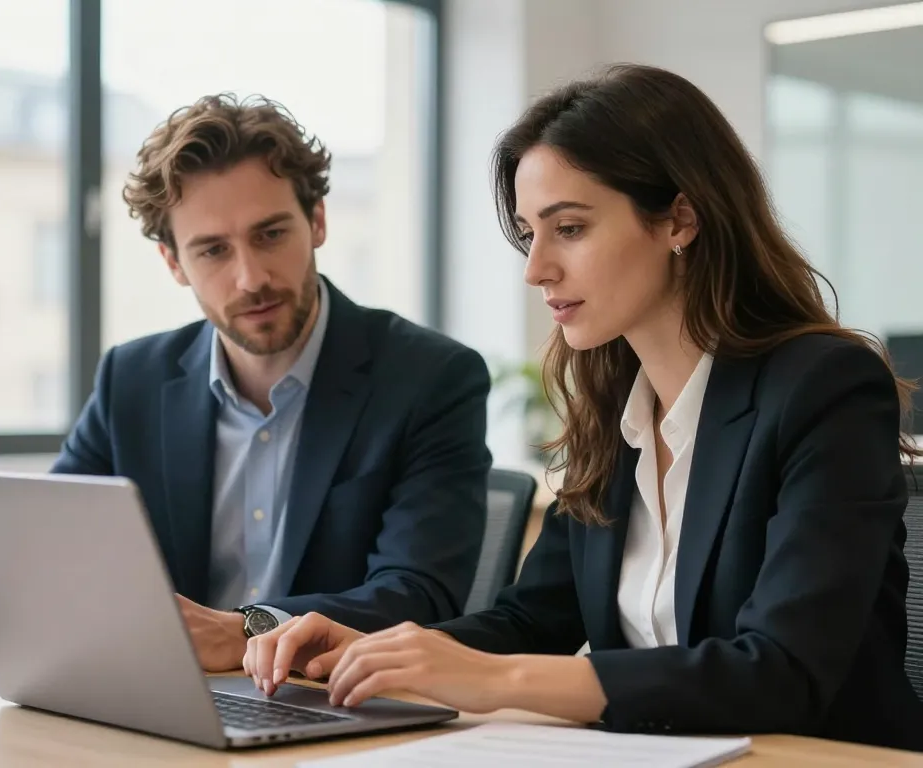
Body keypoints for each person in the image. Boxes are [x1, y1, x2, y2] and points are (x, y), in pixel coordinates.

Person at [241, 64, 923, 752]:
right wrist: (375, 650)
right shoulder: (613, 407)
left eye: (568, 228)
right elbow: (533, 621)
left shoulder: (825, 387)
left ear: (680, 219)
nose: (536, 268)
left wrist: (498, 682)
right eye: (528, 233)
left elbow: (780, 672)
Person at [47, 93, 492, 671]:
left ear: (318, 222)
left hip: (332, 700)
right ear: (173, 263)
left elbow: (419, 594)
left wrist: (245, 631)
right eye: (212, 250)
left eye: (271, 235)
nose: (250, 278)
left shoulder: (430, 378)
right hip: (171, 695)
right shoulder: (130, 380)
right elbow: (44, 567)